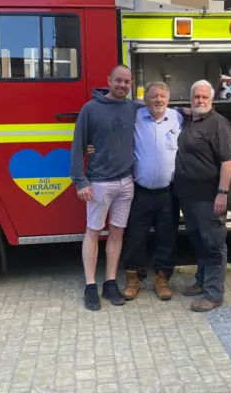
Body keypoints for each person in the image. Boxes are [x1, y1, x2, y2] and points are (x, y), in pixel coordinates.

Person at [70, 64, 143, 311]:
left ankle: (110, 281)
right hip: (99, 182)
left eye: (127, 82)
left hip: (126, 182)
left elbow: (159, 108)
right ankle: (90, 285)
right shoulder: (90, 109)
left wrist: (185, 110)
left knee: (117, 233)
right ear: (109, 80)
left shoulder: (134, 108)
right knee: (93, 232)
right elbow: (78, 146)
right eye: (118, 80)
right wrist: (80, 180)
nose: (123, 85)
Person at [173, 79, 231, 312]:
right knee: (198, 242)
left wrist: (222, 194)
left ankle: (214, 294)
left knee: (214, 244)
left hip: (209, 197)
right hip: (188, 196)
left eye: (204, 97)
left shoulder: (218, 125)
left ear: (211, 100)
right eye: (196, 97)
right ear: (190, 99)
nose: (200, 100)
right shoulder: (189, 120)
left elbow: (227, 163)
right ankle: (201, 282)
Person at [121, 81, 183, 301]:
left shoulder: (178, 118)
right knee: (135, 236)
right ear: (145, 100)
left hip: (168, 192)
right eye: (154, 96)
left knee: (167, 237)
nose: (158, 100)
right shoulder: (135, 118)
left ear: (168, 99)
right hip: (141, 191)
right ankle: (133, 279)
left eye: (162, 97)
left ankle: (162, 279)